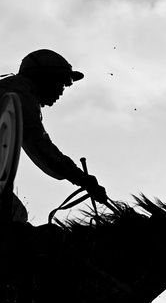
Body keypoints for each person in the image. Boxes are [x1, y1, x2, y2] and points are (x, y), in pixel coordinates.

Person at [0, 49, 108, 224]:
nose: (62, 92)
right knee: (14, 217)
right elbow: (41, 147)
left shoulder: (11, 89)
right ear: (45, 78)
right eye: (62, 83)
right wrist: (81, 178)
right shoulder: (20, 96)